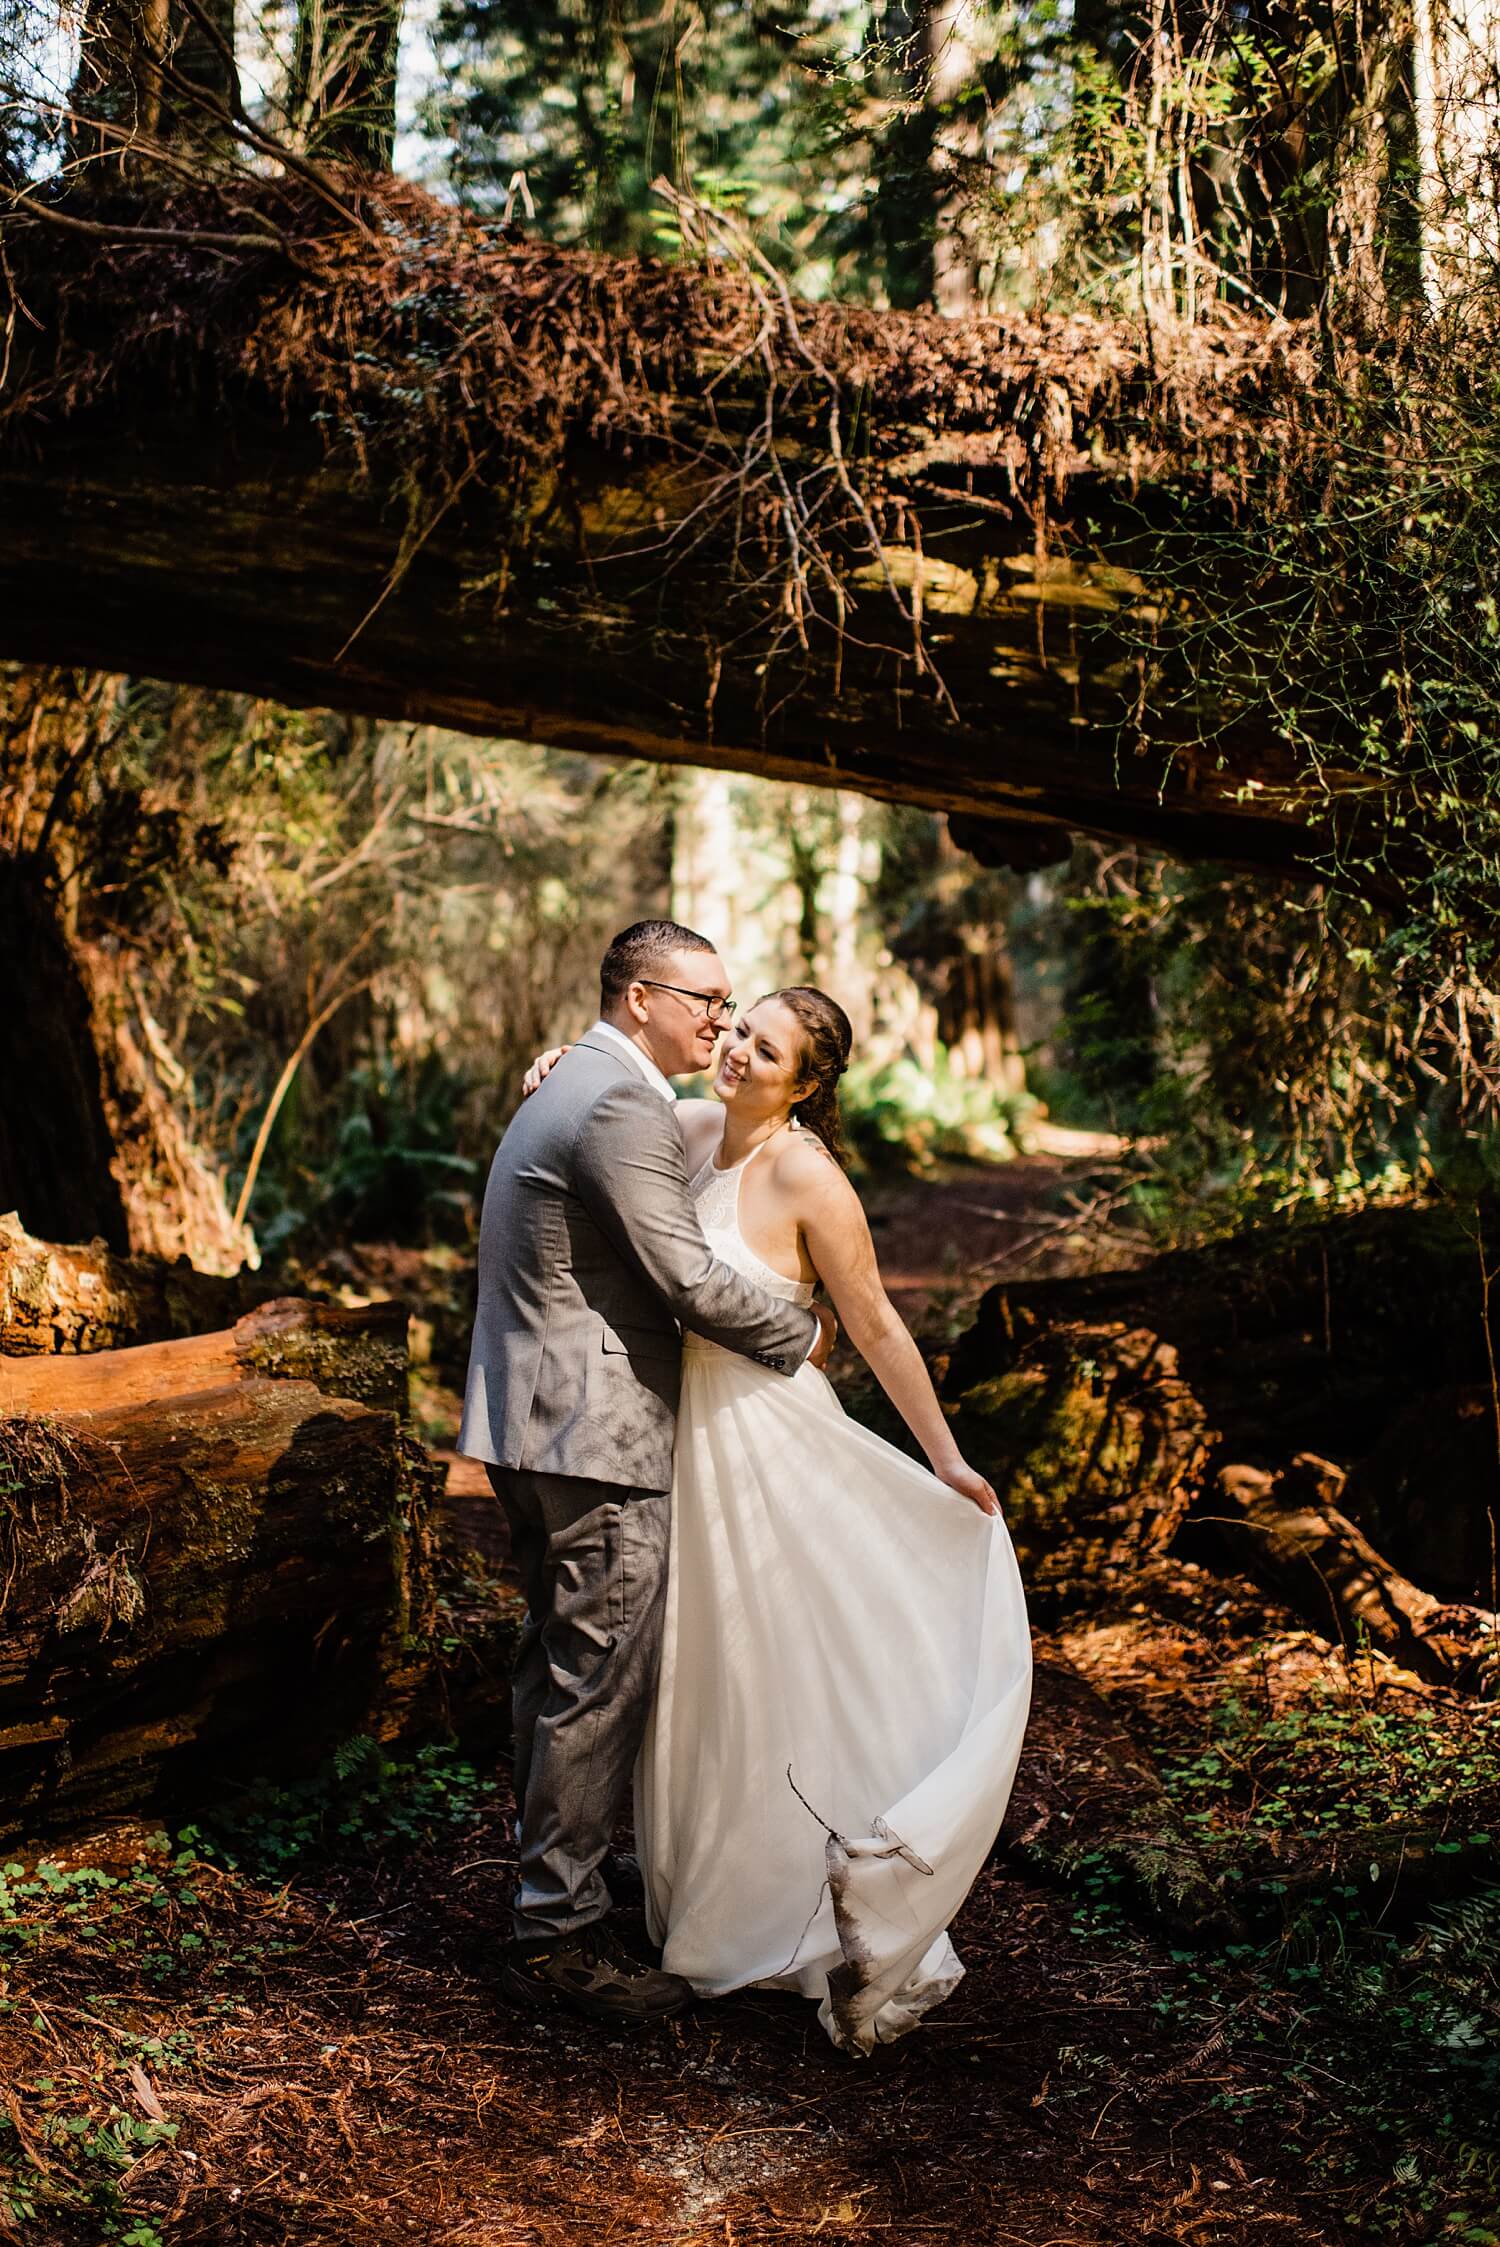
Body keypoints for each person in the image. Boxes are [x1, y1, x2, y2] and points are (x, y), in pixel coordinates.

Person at [521, 985, 1032, 2054]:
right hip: (677, 1437)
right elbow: (605, 1120)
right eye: (739, 1029)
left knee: (769, 1667)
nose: (739, 1051)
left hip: (765, 1441)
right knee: (689, 1673)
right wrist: (560, 1065)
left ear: (806, 1084)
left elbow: (876, 1324)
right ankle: (692, 1891)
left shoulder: (809, 1176)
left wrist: (944, 1456)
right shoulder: (691, 1125)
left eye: (768, 1049)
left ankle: (787, 1912)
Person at [458, 921, 838, 2025]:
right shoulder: (616, 1100)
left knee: (553, 1666)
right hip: (597, 1436)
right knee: (596, 1681)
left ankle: (556, 1881)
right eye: (706, 1000)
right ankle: (555, 1939)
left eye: (732, 1006)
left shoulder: (578, 1079)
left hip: (533, 1427)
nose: (720, 1020)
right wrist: (798, 1333)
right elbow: (679, 1274)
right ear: (639, 998)